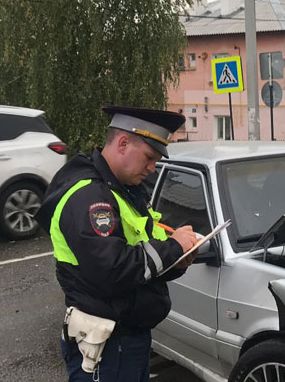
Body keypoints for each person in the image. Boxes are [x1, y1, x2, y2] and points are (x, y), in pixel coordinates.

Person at [36, 106, 199, 382]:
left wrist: (178, 260)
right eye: (149, 157)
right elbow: (113, 270)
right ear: (123, 143)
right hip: (107, 347)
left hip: (128, 339)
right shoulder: (88, 196)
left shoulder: (125, 192)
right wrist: (173, 248)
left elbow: (145, 254)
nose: (152, 168)